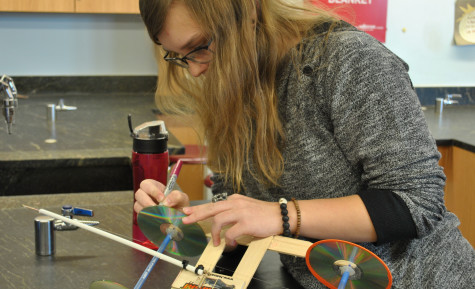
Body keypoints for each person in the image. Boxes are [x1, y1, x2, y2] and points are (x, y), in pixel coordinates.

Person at [134, 0, 475, 288]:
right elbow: (242, 197)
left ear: (247, 12)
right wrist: (196, 216)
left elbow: (416, 203)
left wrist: (281, 215)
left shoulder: (345, 61)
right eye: (179, 56)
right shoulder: (240, 77)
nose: (194, 70)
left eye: (199, 47)